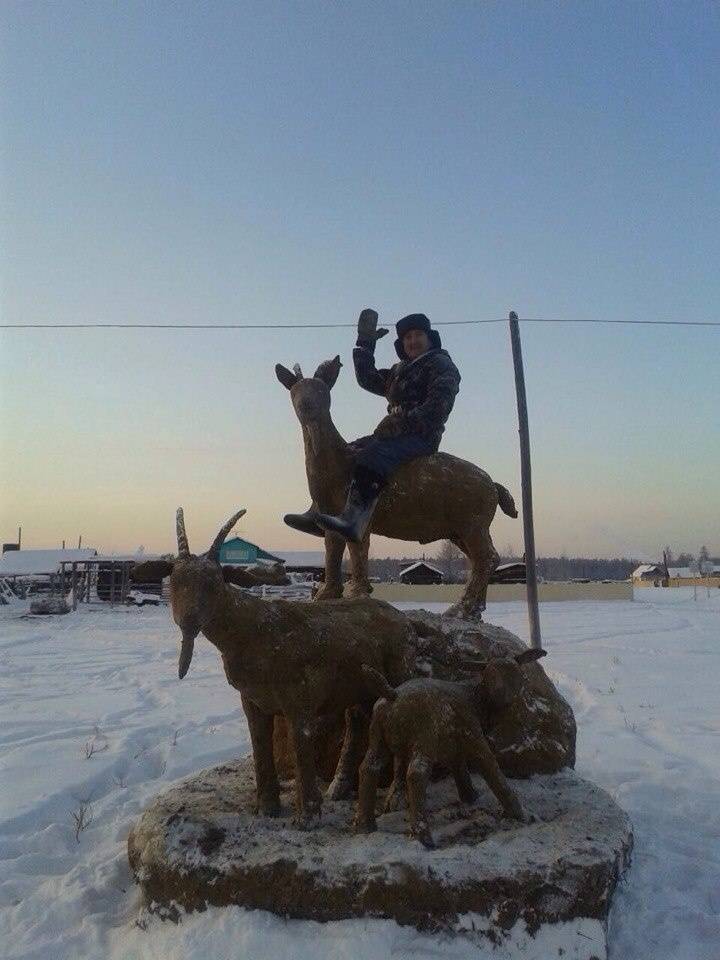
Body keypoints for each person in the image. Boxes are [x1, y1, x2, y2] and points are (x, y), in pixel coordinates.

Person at [310, 308, 461, 543]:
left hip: (420, 436)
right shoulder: (400, 371)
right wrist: (365, 344)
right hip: (392, 433)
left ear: (429, 338)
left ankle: (354, 520)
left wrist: (402, 421)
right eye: (407, 337)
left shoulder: (441, 365)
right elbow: (367, 378)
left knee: (373, 456)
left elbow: (438, 408)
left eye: (417, 335)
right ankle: (318, 511)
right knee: (344, 453)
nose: (412, 341)